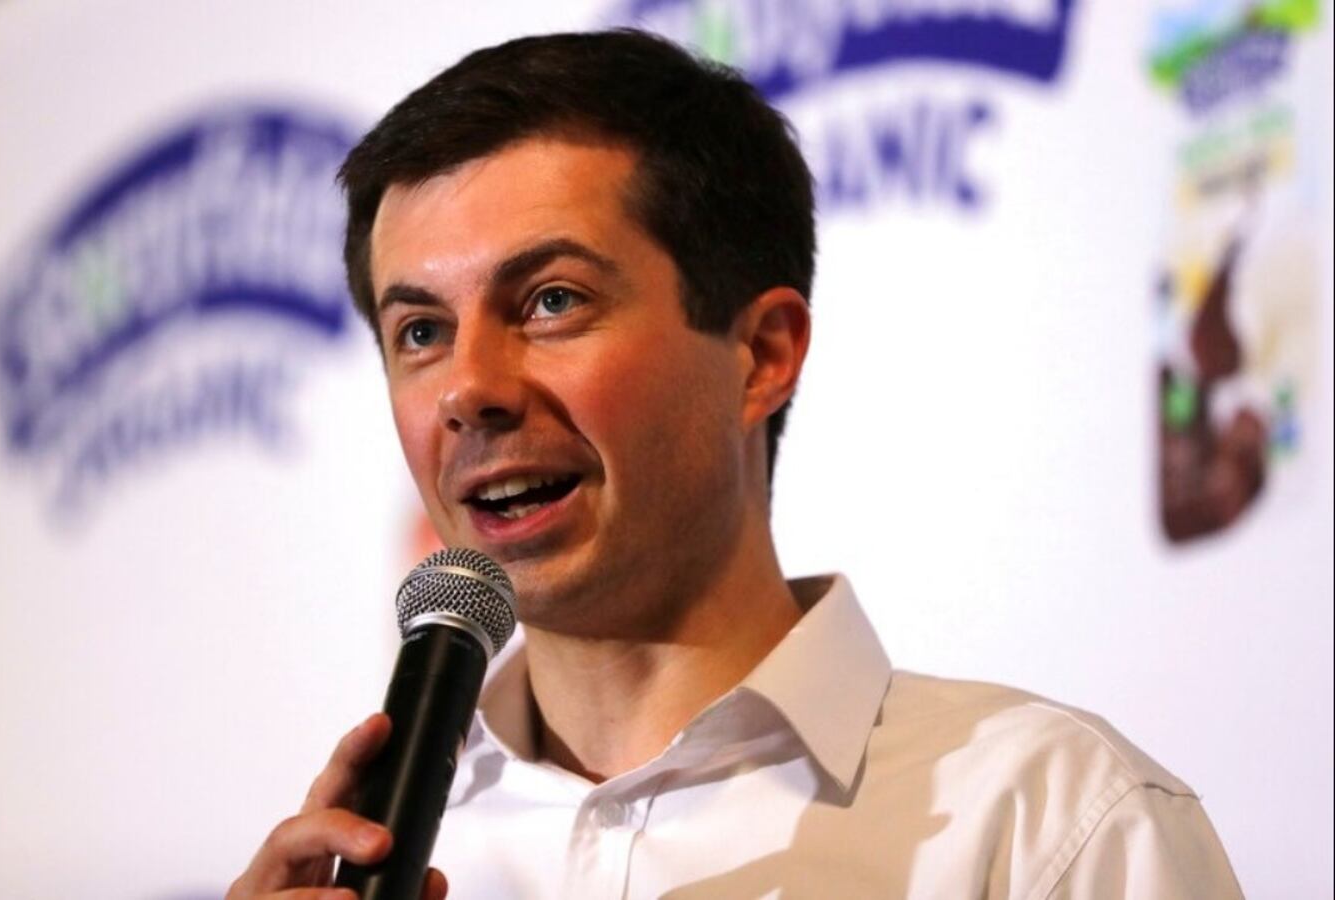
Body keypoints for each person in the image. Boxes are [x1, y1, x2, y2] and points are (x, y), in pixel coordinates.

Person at [229, 30, 1241, 899]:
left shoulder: (1049, 826)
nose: (466, 390)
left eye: (550, 301)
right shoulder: (386, 853)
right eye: (418, 332)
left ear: (760, 355)